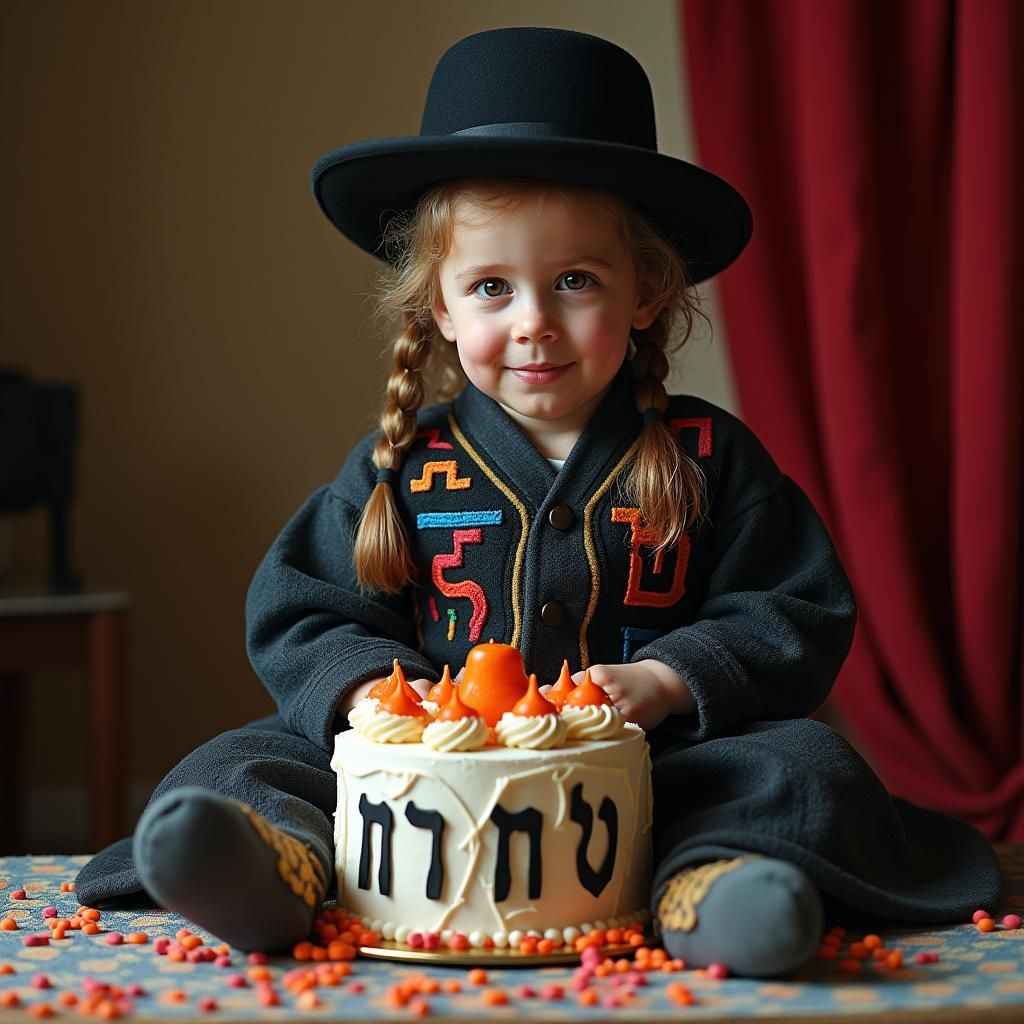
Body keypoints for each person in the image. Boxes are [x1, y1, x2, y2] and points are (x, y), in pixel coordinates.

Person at [75, 27, 1001, 976]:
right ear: (439, 307)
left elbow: (793, 606)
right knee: (239, 761)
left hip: (653, 772)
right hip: (428, 776)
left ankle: (718, 886)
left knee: (806, 768)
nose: (534, 323)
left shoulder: (706, 456)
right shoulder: (404, 465)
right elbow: (303, 609)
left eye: (574, 281)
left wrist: (671, 681)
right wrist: (376, 700)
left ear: (646, 289)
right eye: (490, 286)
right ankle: (274, 868)